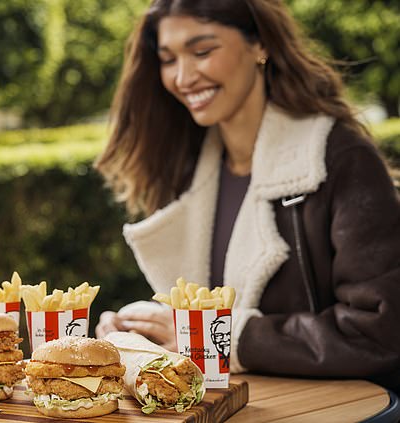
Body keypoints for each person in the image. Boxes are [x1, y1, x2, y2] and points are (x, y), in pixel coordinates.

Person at [95, 0, 400, 392]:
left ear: (260, 45)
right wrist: (143, 335)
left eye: (203, 51)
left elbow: (380, 330)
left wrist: (226, 336)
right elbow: (209, 313)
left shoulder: (339, 158)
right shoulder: (186, 170)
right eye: (168, 59)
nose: (183, 77)